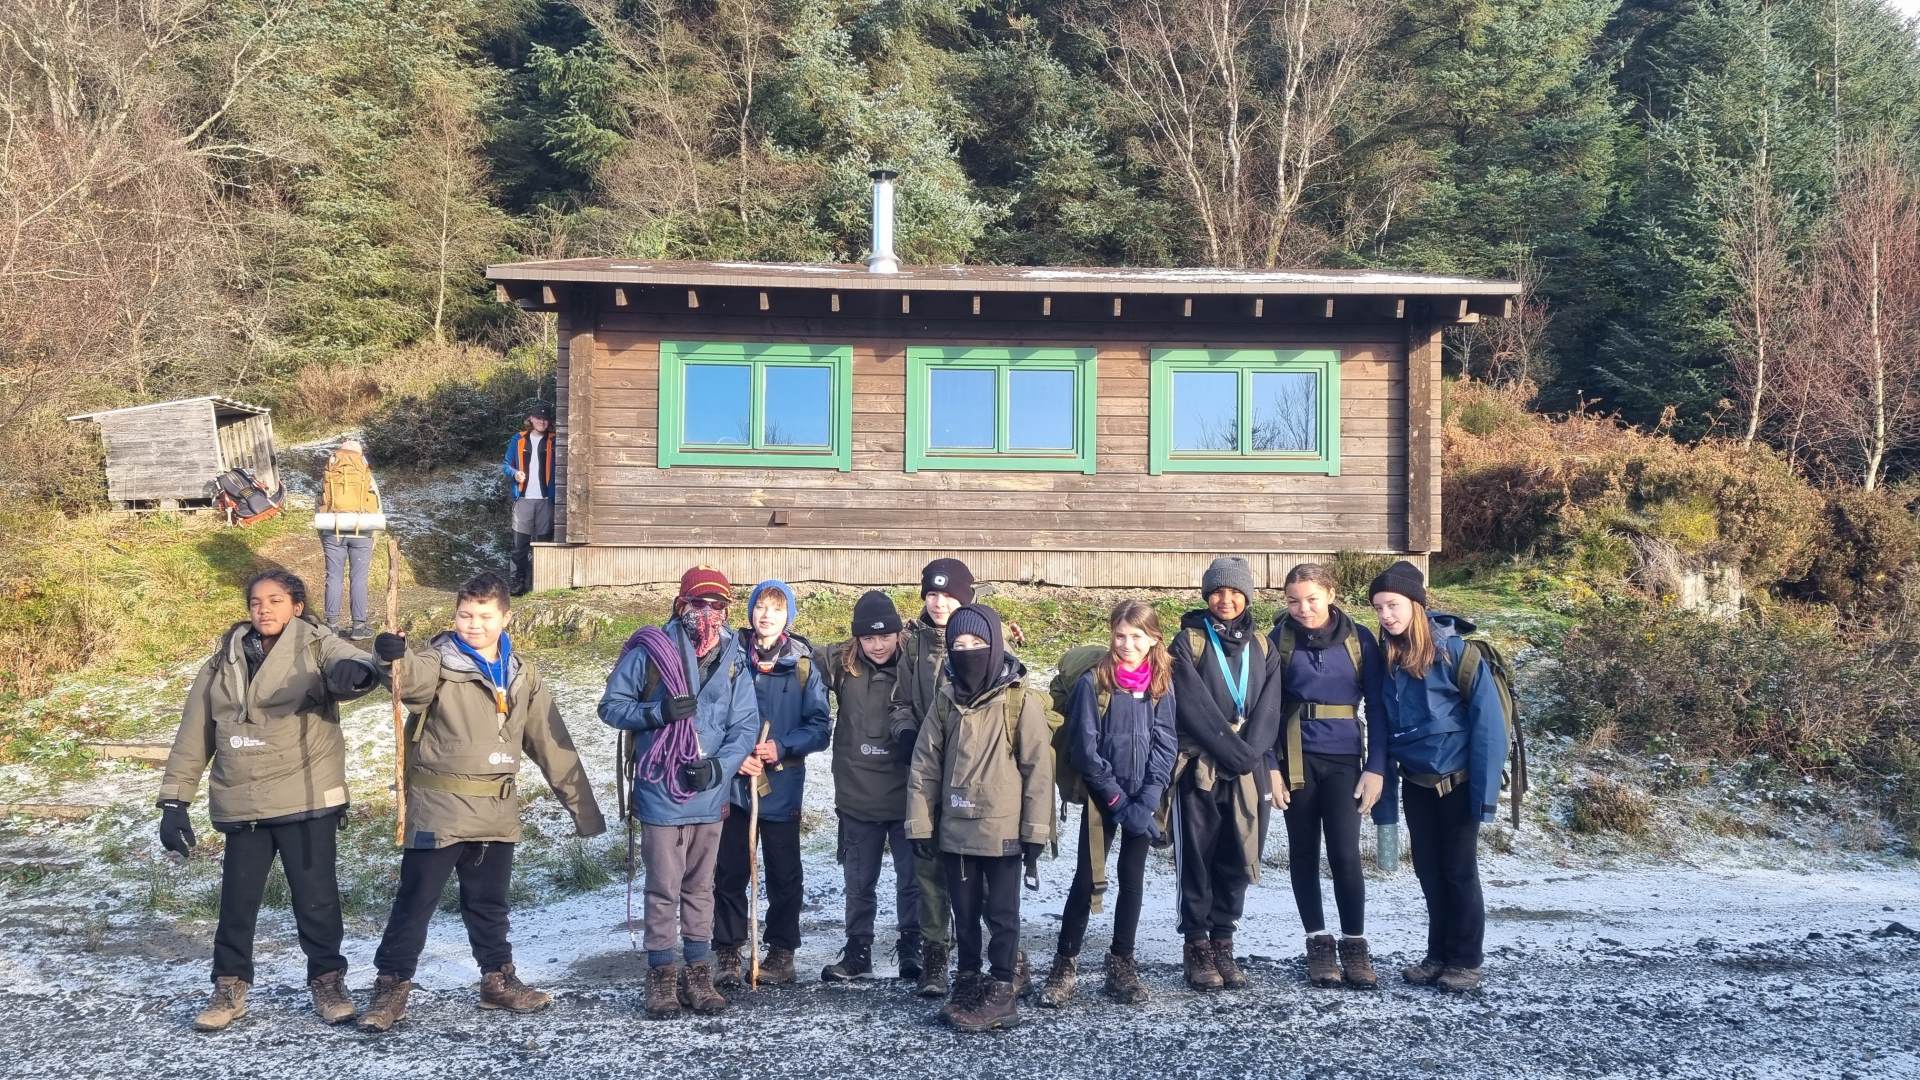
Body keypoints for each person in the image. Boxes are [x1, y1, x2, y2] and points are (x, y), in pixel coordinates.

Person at [357, 572, 606, 1032]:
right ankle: (391, 986)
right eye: (465, 615)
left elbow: (551, 743)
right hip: (439, 809)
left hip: (496, 809)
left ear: (505, 617)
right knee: (415, 902)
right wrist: (390, 655)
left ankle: (497, 980)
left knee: (489, 904)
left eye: (485, 616)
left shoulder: (523, 675)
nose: (474, 624)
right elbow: (408, 681)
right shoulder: (438, 661)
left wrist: (583, 811)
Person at [157, 569, 382, 1031]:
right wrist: (175, 801)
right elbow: (194, 734)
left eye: (276, 601)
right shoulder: (222, 661)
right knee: (237, 904)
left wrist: (358, 672)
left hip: (306, 794)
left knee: (316, 900)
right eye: (257, 602)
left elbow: (355, 664)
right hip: (244, 798)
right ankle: (229, 987)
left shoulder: (318, 645)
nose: (264, 609)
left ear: (297, 606)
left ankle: (327, 981)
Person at [598, 565, 759, 1019]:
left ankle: (698, 972)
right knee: (663, 887)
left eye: (718, 605)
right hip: (660, 791)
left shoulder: (734, 660)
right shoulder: (651, 652)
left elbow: (745, 723)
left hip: (710, 794)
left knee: (701, 887)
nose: (708, 613)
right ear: (681, 604)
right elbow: (611, 707)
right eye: (699, 603)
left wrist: (720, 768)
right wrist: (658, 712)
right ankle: (661, 973)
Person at [906, 604, 1053, 1033]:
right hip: (956, 828)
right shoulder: (945, 700)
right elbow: (924, 766)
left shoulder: (1019, 701)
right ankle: (968, 981)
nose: (967, 650)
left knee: (1003, 914)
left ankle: (1002, 988)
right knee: (965, 913)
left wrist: (1036, 832)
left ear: (995, 646)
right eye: (959, 643)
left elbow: (1038, 771)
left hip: (1003, 831)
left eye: (977, 642)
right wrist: (920, 825)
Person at [1367, 560, 1509, 994]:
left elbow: (1488, 726)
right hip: (1417, 784)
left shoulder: (1456, 653)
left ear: (1416, 603)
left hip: (1459, 783)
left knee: (1458, 872)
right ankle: (1438, 955)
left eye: (1392, 605)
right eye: (1378, 607)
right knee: (1428, 871)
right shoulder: (1387, 656)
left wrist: (1484, 795)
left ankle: (1465, 960)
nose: (1385, 615)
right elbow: (1384, 725)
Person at [1037, 600, 1176, 1009]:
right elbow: (1086, 749)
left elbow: (1166, 744)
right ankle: (1065, 963)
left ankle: (1121, 963)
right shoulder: (1093, 683)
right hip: (1103, 798)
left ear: (1154, 639)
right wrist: (1117, 800)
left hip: (1144, 798)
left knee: (1132, 878)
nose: (1127, 644)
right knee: (1087, 877)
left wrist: (1146, 800)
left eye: (1137, 636)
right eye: (1119, 636)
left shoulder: (1161, 684)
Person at [1268, 563, 1388, 989]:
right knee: (1303, 852)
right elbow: (1266, 711)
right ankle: (1318, 944)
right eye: (1293, 601)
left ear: (1331, 595)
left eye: (1311, 599)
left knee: (1345, 854)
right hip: (1295, 759)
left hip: (1345, 760)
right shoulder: (1277, 640)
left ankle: (1355, 944)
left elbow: (1378, 708)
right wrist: (1270, 769)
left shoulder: (1360, 639)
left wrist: (1377, 767)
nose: (1302, 609)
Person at [1167, 556, 1284, 992]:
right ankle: (1197, 944)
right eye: (1217, 591)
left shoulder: (1264, 647)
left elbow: (1270, 709)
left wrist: (1249, 756)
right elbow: (1191, 706)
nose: (1226, 599)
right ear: (1206, 596)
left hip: (1248, 767)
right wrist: (1236, 753)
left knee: (1239, 852)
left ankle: (1223, 940)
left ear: (1248, 596)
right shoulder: (1189, 641)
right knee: (1197, 856)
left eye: (1235, 592)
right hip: (1200, 764)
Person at [711, 580, 831, 988]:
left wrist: (782, 746)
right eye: (761, 606)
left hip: (781, 786)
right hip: (733, 786)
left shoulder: (803, 666)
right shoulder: (729, 658)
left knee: (784, 874)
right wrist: (734, 757)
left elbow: (820, 727)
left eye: (776, 609)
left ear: (788, 617)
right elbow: (712, 717)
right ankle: (727, 949)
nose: (766, 615)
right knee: (729, 872)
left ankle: (781, 952)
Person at [818, 591, 920, 982]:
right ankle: (858, 949)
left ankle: (913, 946)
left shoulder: (914, 664)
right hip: (858, 796)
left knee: (912, 881)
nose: (877, 645)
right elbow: (799, 657)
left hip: (907, 795)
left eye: (885, 636)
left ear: (898, 633)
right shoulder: (840, 664)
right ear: (856, 638)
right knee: (859, 882)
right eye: (868, 638)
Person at [888, 557, 972, 997]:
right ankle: (935, 953)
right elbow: (900, 700)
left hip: (971, 772)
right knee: (927, 864)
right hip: (924, 772)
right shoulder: (914, 645)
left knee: (974, 866)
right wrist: (905, 732)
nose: (939, 603)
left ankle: (988, 954)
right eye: (932, 594)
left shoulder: (980, 638)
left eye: (948, 595)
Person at [315, 438, 384, 639]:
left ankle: (332, 626)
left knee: (333, 577)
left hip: (332, 530)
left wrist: (323, 535)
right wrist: (374, 536)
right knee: (359, 579)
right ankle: (358, 627)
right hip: (362, 531)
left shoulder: (330, 474)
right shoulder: (366, 475)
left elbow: (318, 504)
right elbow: (377, 506)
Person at [502, 403, 555, 596]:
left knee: (544, 543)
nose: (542, 421)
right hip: (523, 499)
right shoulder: (518, 439)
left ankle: (539, 582)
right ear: (531, 419)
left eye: (545, 419)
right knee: (520, 545)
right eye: (538, 417)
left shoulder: (554, 440)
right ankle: (518, 582)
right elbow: (506, 465)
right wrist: (515, 474)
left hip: (546, 500)